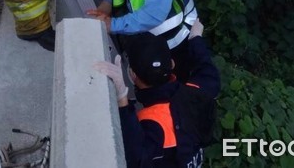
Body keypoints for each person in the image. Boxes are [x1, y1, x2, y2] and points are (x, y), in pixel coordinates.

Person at [94, 22, 220, 167]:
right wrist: (195, 38)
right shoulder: (196, 92)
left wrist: (122, 99)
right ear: (172, 64)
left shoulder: (150, 121)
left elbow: (134, 159)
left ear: (132, 74)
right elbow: (209, 73)